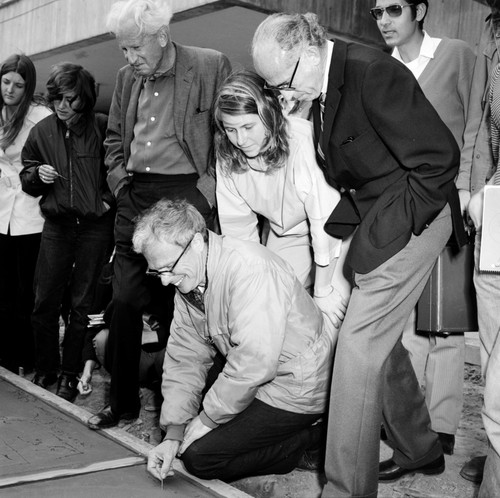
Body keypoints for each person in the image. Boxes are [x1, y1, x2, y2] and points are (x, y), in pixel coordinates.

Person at [252, 12, 467, 498]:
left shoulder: (372, 71)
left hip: (419, 213)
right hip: (377, 213)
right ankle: (420, 448)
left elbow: (438, 161)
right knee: (382, 340)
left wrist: (383, 236)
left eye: (279, 82)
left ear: (307, 55)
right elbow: (357, 169)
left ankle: (346, 489)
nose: (280, 94)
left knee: (355, 345)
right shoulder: (321, 91)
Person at [87, 0, 231, 430]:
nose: (129, 58)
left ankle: (180, 411)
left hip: (186, 194)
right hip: (136, 195)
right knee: (125, 302)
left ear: (161, 36)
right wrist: (118, 182)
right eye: (124, 50)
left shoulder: (209, 66)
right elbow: (115, 138)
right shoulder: (126, 78)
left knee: (182, 307)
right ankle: (123, 402)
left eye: (134, 48)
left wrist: (203, 198)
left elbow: (226, 140)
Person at [131, 198, 334, 482]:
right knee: (185, 433)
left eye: (167, 268)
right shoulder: (188, 275)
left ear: (197, 243)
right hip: (257, 373)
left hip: (296, 386)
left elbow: (254, 361)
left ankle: (310, 440)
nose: (164, 281)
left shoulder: (250, 269)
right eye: (157, 272)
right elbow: (184, 357)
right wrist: (174, 432)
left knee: (199, 458)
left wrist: (207, 419)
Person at [373, 0, 475, 455]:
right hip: (400, 208)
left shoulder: (456, 54)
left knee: (445, 320)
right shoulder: (378, 69)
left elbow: (476, 125)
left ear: (421, 9)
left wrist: (472, 191)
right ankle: (410, 425)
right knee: (405, 324)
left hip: (450, 202)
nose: (384, 21)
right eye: (377, 12)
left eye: (393, 9)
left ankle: (444, 423)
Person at [214, 70, 349, 328]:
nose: (240, 140)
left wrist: (322, 290)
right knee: (271, 307)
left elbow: (325, 221)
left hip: (337, 232)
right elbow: (239, 233)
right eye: (230, 129)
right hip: (287, 233)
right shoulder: (228, 155)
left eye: (248, 127)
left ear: (267, 114)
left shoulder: (303, 141)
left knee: (331, 316)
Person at [20, 62, 114, 402]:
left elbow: (120, 170)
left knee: (82, 305)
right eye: (57, 97)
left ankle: (71, 375)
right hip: (57, 226)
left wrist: (105, 201)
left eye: (70, 98)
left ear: (84, 98)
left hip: (94, 228)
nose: (62, 105)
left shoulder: (103, 127)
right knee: (43, 301)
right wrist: (35, 177)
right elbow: (27, 179)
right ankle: (46, 369)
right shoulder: (41, 132)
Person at [457, 1, 500, 493]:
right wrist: (476, 193)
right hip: (497, 211)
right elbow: (485, 127)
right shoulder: (496, 41)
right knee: (491, 347)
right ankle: (496, 451)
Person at [0, 54, 52, 374]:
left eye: (19, 85)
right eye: (6, 81)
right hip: (0, 212)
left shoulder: (40, 116)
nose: (10, 89)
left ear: (28, 86)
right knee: (2, 289)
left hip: (31, 215)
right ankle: (5, 355)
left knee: (26, 294)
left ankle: (27, 357)